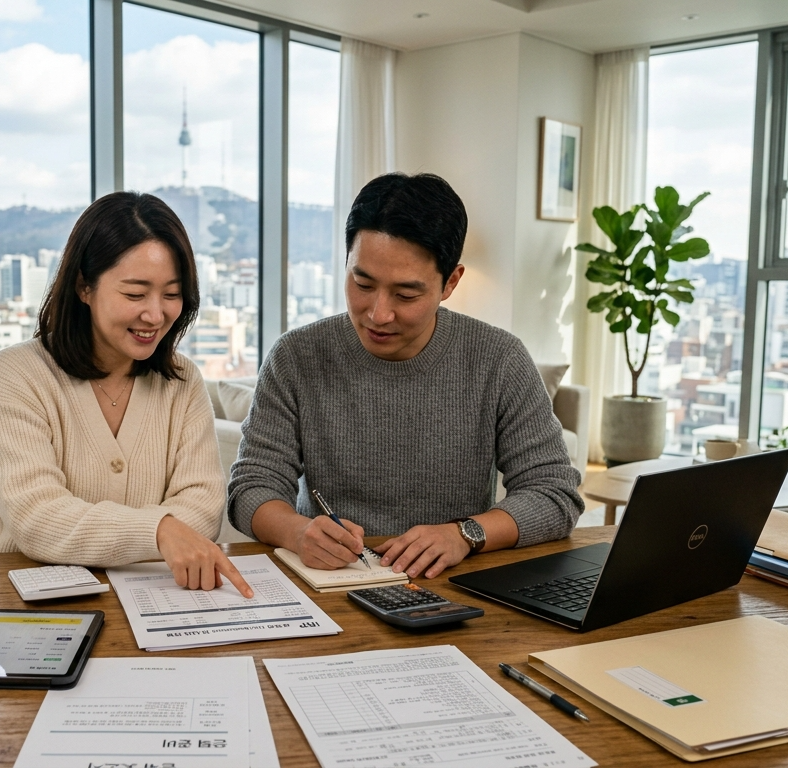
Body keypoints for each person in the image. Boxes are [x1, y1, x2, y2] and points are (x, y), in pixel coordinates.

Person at [228, 172, 582, 580]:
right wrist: (298, 531)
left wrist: (464, 533)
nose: (378, 314)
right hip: (331, 580)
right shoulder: (296, 357)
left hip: (452, 583)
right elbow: (251, 488)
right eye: (362, 283)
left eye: (406, 295)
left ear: (450, 282)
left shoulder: (498, 359)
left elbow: (555, 494)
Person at [0, 191, 253, 598]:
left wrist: (157, 532)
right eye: (135, 294)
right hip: (21, 600)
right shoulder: (16, 374)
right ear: (84, 287)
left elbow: (203, 509)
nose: (155, 315)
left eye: (171, 294)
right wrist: (159, 530)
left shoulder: (182, 380)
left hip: (150, 595)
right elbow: (37, 518)